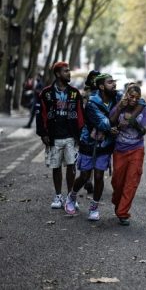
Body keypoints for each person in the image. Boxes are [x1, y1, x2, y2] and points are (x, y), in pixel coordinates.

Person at [64, 74, 145, 220]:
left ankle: (94, 207)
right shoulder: (92, 103)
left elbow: (141, 100)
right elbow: (105, 124)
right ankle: (72, 196)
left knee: (100, 176)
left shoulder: (117, 96)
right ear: (101, 86)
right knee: (84, 176)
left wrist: (132, 111)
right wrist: (119, 110)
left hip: (106, 145)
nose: (114, 84)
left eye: (114, 82)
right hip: (89, 143)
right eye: (110, 82)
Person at [36, 62, 84, 209]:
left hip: (71, 136)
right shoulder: (46, 93)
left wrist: (81, 134)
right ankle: (58, 196)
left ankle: (71, 197)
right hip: (54, 136)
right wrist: (43, 133)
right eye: (66, 71)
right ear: (57, 74)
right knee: (56, 167)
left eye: (69, 71)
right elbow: (40, 115)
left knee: (72, 166)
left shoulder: (75, 93)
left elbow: (81, 115)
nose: (69, 73)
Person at [109, 84, 146, 226]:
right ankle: (117, 201)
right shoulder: (120, 105)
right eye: (131, 96)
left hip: (137, 148)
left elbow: (143, 131)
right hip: (120, 149)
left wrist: (133, 121)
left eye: (137, 97)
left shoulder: (142, 109)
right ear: (126, 95)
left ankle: (123, 213)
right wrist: (119, 109)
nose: (134, 99)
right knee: (117, 181)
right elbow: (111, 121)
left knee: (131, 182)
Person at [81, 70, 100, 194]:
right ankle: (86, 177)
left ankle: (89, 180)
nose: (94, 80)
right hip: (86, 128)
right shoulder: (85, 93)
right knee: (86, 154)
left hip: (99, 127)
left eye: (97, 78)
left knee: (96, 154)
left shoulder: (103, 93)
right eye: (92, 78)